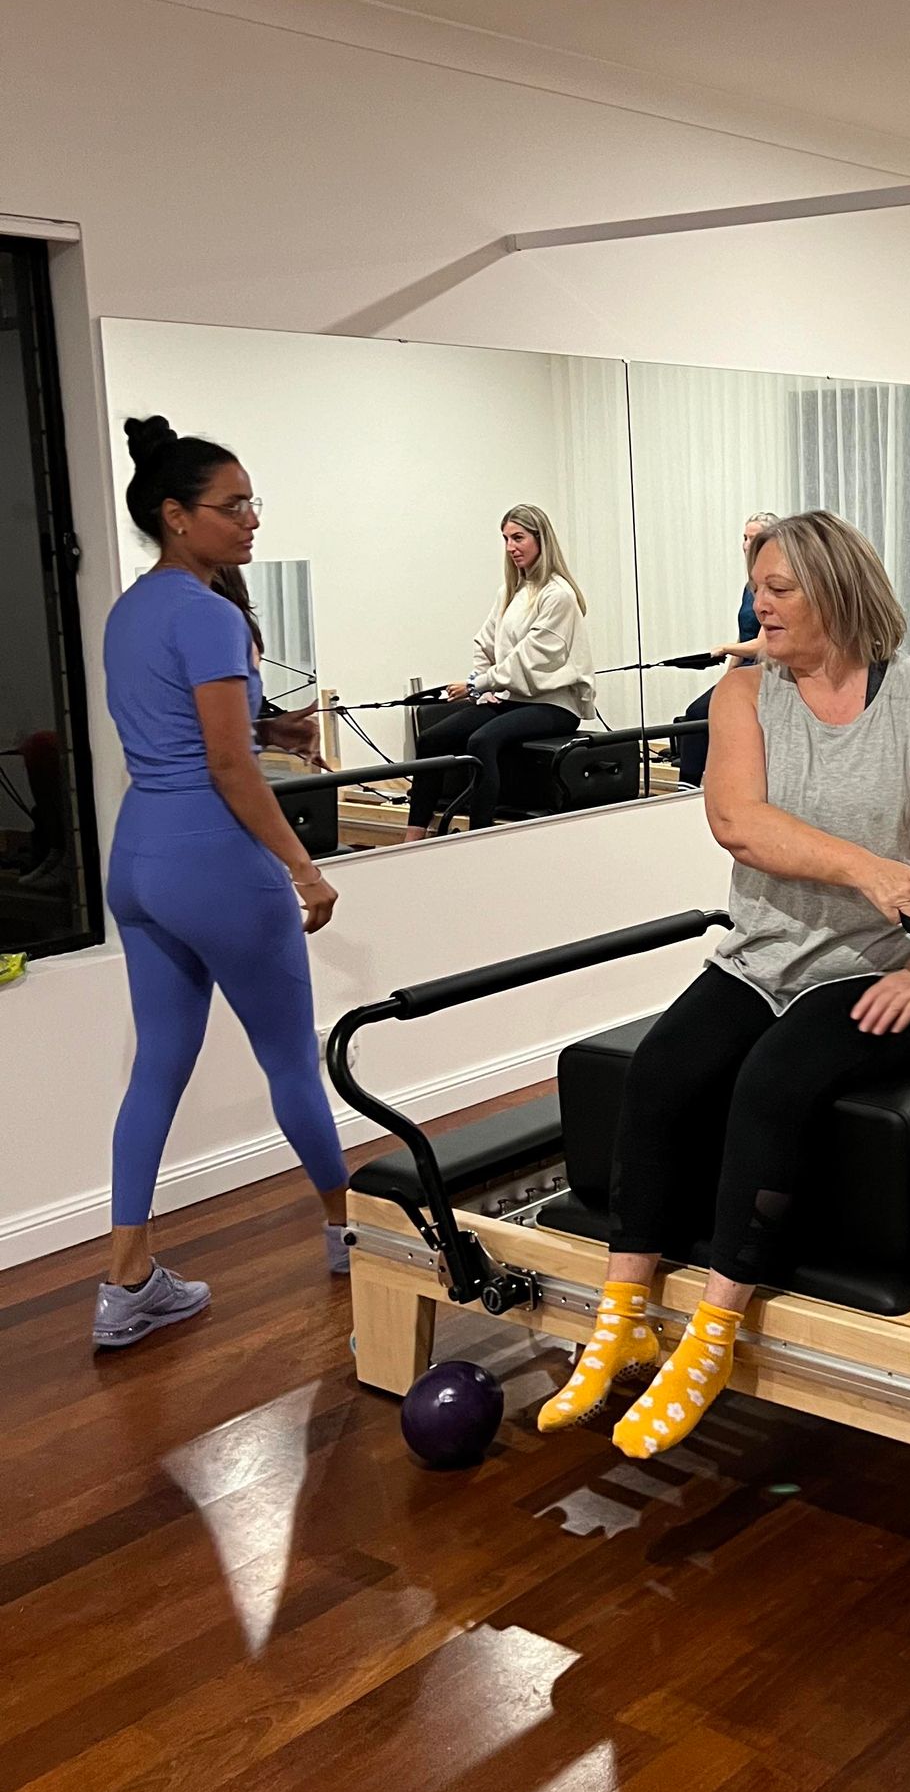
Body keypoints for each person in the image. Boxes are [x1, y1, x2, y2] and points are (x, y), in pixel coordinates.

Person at [536, 509, 910, 1458]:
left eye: (778, 589)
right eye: (758, 587)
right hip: (764, 956)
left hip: (883, 968)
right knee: (662, 1073)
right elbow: (738, 823)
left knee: (774, 1083)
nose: (758, 606)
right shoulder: (744, 693)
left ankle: (714, 1331)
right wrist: (864, 868)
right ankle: (626, 1307)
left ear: (836, 590)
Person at [98, 416, 350, 1349]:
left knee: (156, 1064)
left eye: (252, 502)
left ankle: (126, 1282)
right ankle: (348, 1230)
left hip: (140, 860)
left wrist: (271, 728)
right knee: (291, 1058)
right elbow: (227, 769)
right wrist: (303, 867)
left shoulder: (133, 608)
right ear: (175, 515)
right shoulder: (209, 614)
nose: (250, 520)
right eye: (231, 504)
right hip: (214, 861)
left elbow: (197, 733)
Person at [404, 505, 593, 837]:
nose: (511, 547)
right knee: (432, 739)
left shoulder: (558, 596)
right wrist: (485, 686)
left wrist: (478, 684)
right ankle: (414, 832)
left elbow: (529, 658)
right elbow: (485, 642)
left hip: (553, 704)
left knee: (482, 741)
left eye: (518, 537)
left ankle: (481, 835)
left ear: (540, 539)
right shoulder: (511, 592)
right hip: (512, 697)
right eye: (506, 539)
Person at [675, 510, 782, 787]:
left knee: (698, 715)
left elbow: (762, 645)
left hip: (769, 670)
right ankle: (690, 785)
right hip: (745, 669)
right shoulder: (750, 586)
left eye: (753, 538)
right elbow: (744, 633)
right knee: (695, 713)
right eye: (744, 538)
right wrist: (727, 678)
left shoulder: (773, 586)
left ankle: (688, 784)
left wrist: (725, 648)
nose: (747, 545)